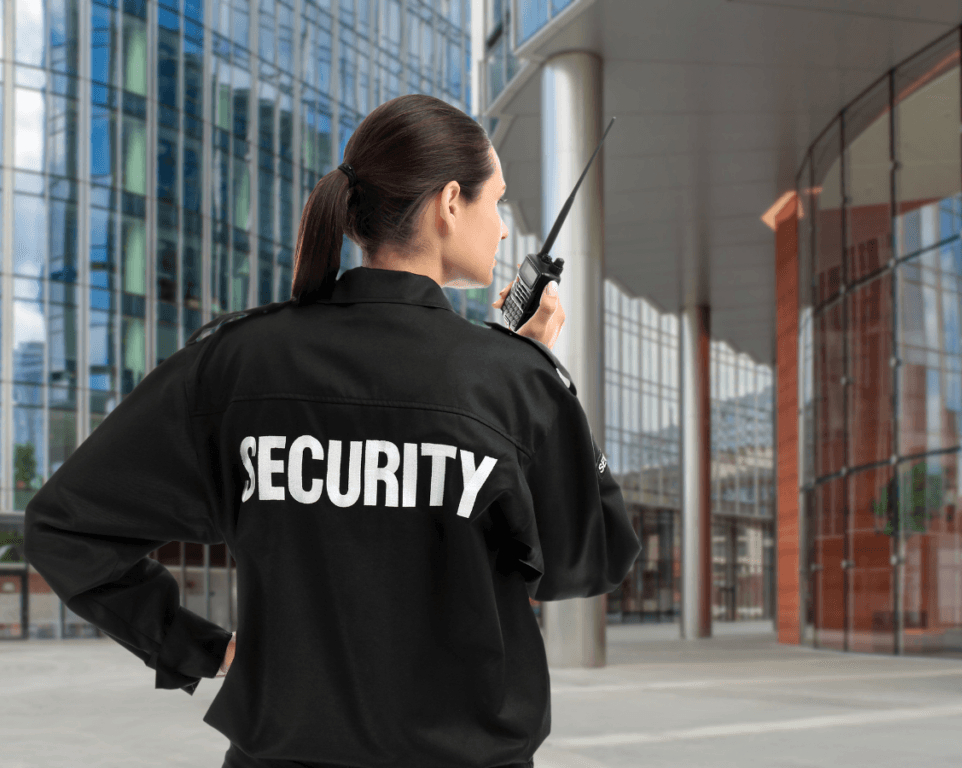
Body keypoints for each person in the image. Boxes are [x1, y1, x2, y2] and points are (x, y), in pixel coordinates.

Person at [23, 93, 642, 768]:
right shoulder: (510, 381)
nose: (500, 229)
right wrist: (546, 374)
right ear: (450, 201)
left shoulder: (235, 359)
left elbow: (65, 526)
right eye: (496, 203)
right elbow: (594, 557)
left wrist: (192, 645)